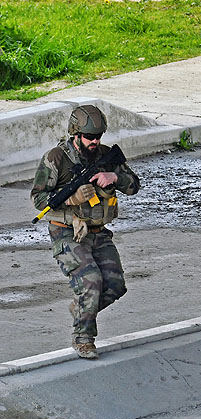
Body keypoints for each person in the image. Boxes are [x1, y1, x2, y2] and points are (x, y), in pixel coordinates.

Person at [31, 104, 140, 359]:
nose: (95, 141)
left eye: (98, 137)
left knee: (115, 285)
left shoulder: (105, 156)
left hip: (98, 231)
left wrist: (114, 178)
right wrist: (71, 198)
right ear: (75, 133)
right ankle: (83, 339)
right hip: (67, 232)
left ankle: (82, 309)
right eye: (89, 137)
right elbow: (38, 199)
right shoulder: (56, 158)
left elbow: (134, 185)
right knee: (91, 282)